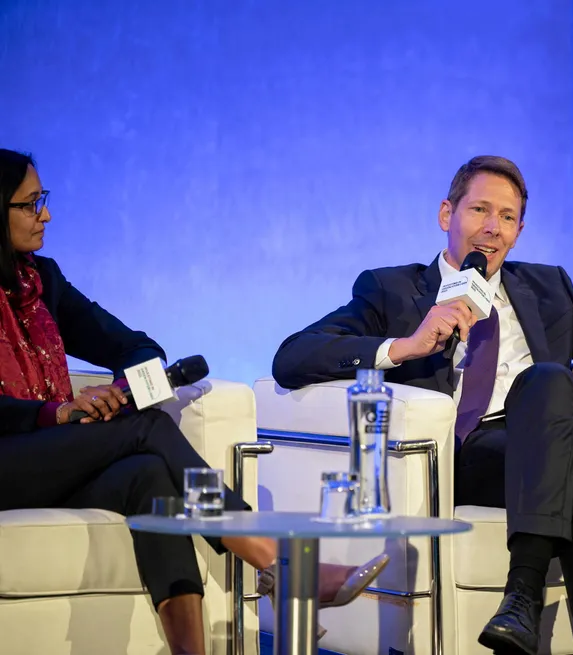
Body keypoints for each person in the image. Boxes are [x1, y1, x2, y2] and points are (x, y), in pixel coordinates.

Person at [272, 155, 573, 654]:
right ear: (447, 215)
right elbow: (292, 356)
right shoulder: (393, 289)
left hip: (539, 443)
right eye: (480, 211)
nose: (492, 229)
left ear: (519, 230)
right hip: (458, 458)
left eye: (507, 217)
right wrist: (404, 345)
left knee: (566, 407)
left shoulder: (548, 287)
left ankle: (524, 601)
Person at [0, 149, 387, 655]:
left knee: (151, 480)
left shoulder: (41, 279)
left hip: (50, 453)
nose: (45, 214)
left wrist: (123, 390)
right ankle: (280, 561)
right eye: (31, 204)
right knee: (151, 430)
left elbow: (136, 345)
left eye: (42, 200)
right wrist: (56, 411)